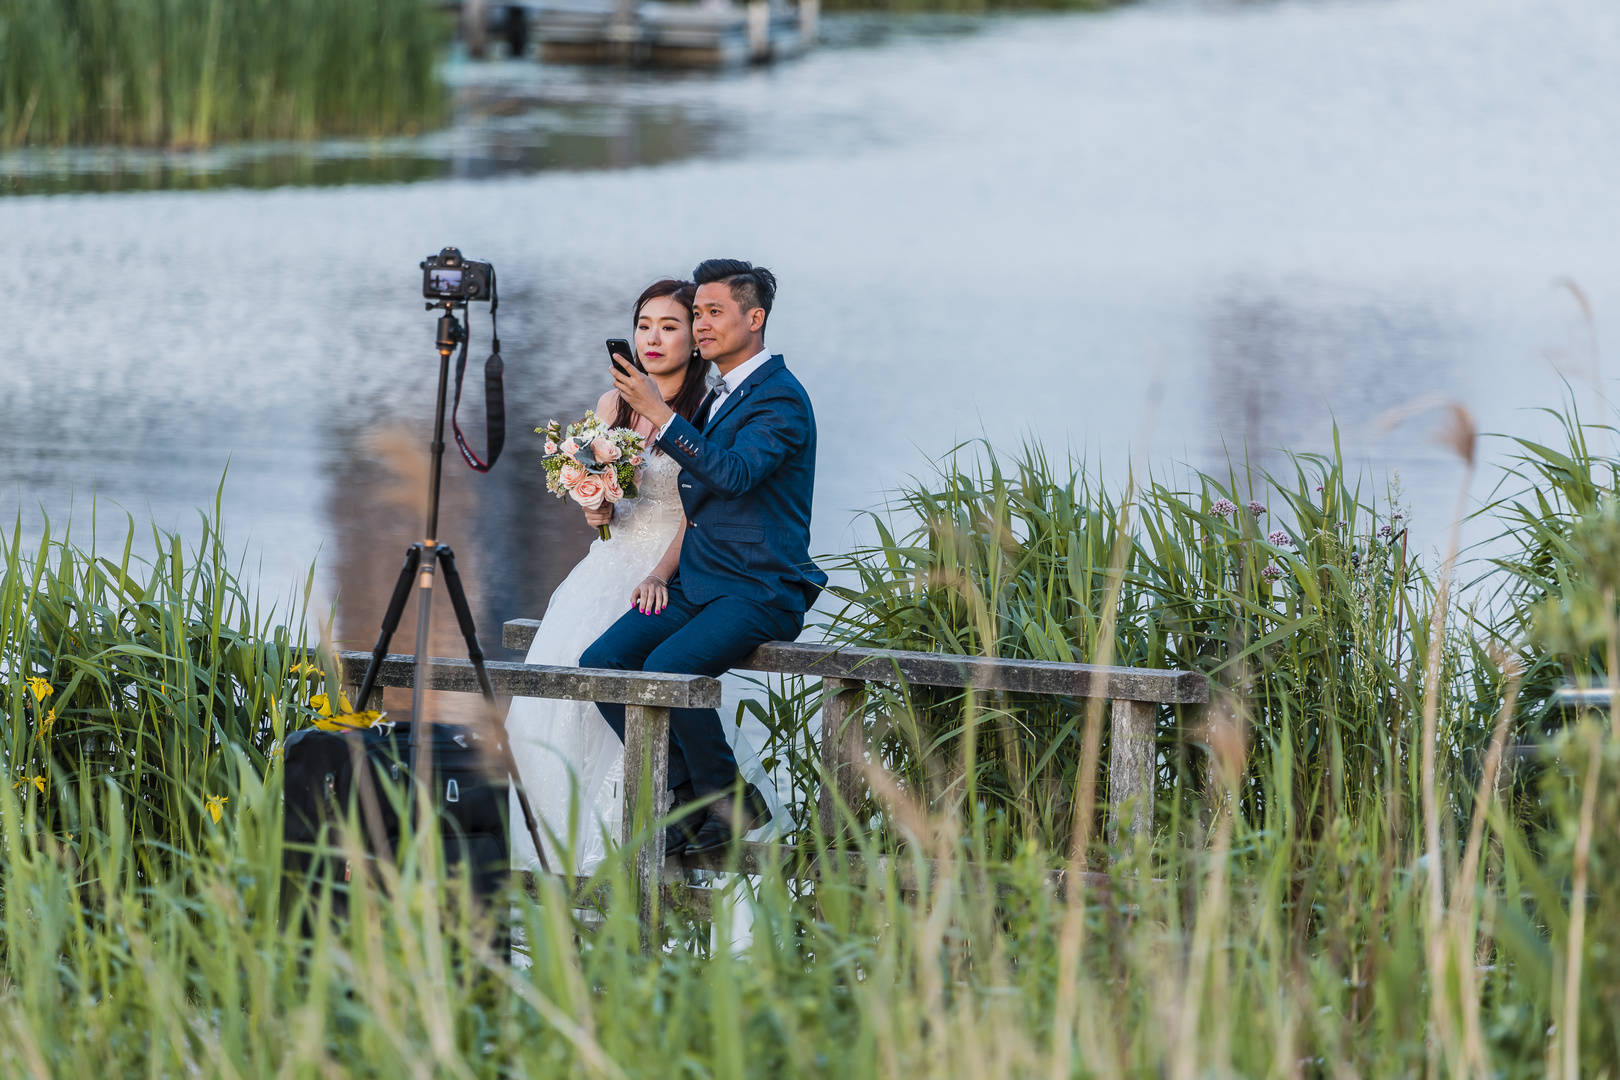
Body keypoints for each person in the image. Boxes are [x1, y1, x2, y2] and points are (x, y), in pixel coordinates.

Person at [581, 258, 824, 855]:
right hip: (700, 582)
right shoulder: (721, 394)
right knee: (601, 663)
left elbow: (736, 476)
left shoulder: (781, 401)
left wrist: (661, 416)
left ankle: (724, 804)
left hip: (760, 589)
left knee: (666, 670)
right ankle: (699, 797)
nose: (702, 324)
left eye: (714, 312)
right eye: (698, 314)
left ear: (755, 317)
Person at [506, 278, 723, 874]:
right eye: (645, 325)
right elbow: (610, 503)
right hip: (604, 566)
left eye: (670, 326)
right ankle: (557, 870)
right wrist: (595, 503)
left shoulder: (708, 411)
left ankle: (670, 826)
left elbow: (702, 512)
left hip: (667, 569)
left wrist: (658, 573)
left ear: (698, 340)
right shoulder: (614, 405)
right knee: (559, 704)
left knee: (633, 679)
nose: (653, 338)